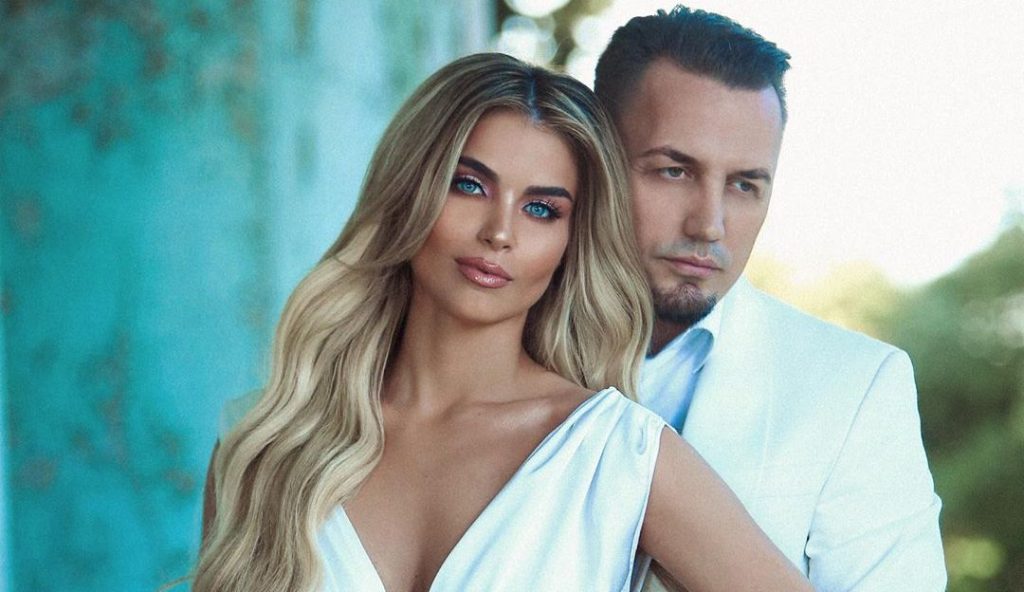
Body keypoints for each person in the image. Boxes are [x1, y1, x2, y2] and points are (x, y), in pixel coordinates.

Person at [192, 53, 812, 592]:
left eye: (541, 209)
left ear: (571, 241)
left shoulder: (617, 455)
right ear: (410, 192)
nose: (500, 232)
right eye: (469, 186)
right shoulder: (273, 447)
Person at [593, 6, 947, 591]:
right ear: (593, 155)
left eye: (744, 185)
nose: (710, 224)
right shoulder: (490, 344)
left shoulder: (855, 387)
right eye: (674, 171)